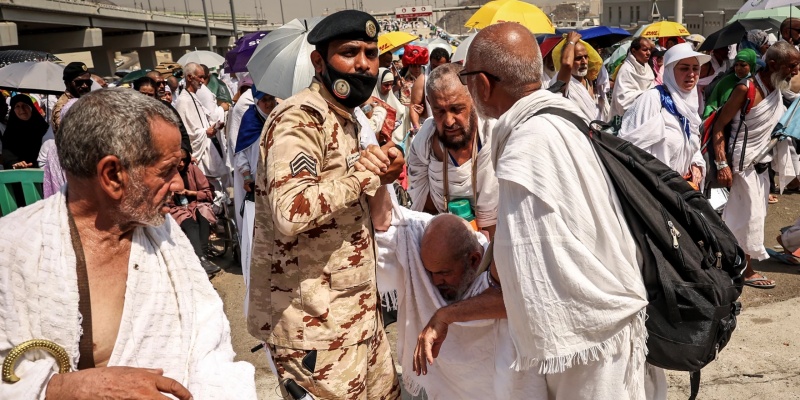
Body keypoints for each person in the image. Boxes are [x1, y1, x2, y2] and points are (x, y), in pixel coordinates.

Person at [0, 88, 256, 400]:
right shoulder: (13, 248)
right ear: (112, 175)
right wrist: (61, 389)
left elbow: (211, 347)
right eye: (167, 170)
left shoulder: (165, 235)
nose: (178, 183)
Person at [463, 22, 664, 399]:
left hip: (591, 349)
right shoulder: (563, 119)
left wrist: (453, 309)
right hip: (611, 329)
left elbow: (520, 273)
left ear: (484, 84)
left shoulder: (526, 148)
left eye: (466, 77)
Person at [247, 10, 403, 399]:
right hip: (314, 331)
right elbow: (290, 209)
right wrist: (364, 176)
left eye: (371, 53)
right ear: (319, 61)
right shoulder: (299, 119)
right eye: (349, 52)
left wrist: (380, 174)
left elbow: (355, 205)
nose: (363, 64)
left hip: (358, 319)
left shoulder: (346, 119)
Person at [373, 207, 546, 398]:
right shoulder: (428, 268)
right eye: (430, 273)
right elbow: (391, 221)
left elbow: (516, 301)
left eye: (444, 273)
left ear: (474, 260)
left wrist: (445, 315)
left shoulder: (504, 268)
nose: (436, 282)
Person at [712, 41, 800, 289]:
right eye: (792, 66)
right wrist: (721, 164)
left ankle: (729, 262)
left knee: (750, 216)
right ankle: (746, 270)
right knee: (749, 217)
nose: (795, 71)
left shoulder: (776, 87)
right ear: (773, 64)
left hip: (762, 163)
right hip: (743, 162)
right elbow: (719, 126)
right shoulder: (745, 88)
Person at [407, 63, 498, 237]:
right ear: (429, 104)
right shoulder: (425, 142)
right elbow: (420, 201)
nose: (448, 121)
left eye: (456, 109)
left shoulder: (493, 137)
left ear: (473, 98)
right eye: (439, 111)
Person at [618, 43, 710, 191]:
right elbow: (633, 151)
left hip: (683, 191)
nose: (691, 74)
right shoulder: (652, 100)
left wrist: (696, 164)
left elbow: (691, 144)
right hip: (655, 191)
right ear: (670, 71)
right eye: (684, 68)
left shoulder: (690, 104)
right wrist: (671, 183)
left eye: (695, 68)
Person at [233, 87, 276, 262]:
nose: (268, 103)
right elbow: (241, 152)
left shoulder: (278, 116)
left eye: (270, 98)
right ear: (256, 101)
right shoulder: (250, 119)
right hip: (255, 180)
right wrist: (246, 176)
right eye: (263, 99)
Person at [167, 147, 221, 277]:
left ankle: (202, 258)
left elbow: (208, 193)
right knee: (191, 225)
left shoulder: (193, 169)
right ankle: (201, 259)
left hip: (195, 203)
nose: (180, 164)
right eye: (178, 161)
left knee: (203, 215)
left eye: (183, 160)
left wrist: (190, 193)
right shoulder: (167, 174)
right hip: (176, 208)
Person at [175, 62, 228, 180]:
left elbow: (202, 121)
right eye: (200, 77)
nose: (202, 81)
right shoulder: (183, 100)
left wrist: (214, 126)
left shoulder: (193, 96)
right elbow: (185, 132)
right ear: (189, 77)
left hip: (207, 147)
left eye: (203, 77)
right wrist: (205, 132)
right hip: (198, 152)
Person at [553, 32, 609, 121]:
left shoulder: (588, 81)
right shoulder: (565, 82)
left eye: (586, 57)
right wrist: (571, 42)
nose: (584, 61)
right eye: (578, 58)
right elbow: (567, 65)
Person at [703, 49, 758, 119]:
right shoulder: (726, 82)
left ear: (752, 65)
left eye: (743, 65)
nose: (738, 68)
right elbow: (711, 105)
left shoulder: (757, 84)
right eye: (736, 65)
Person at [2, 94, 50, 170]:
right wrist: (15, 164)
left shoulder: (44, 128)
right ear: (13, 110)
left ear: (31, 107)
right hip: (19, 174)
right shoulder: (10, 132)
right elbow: (7, 154)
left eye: (25, 105)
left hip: (43, 173)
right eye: (17, 106)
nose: (22, 109)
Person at [611, 37, 655, 118]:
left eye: (649, 50)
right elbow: (623, 100)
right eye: (645, 50)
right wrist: (648, 96)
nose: (648, 53)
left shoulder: (648, 68)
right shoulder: (626, 70)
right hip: (629, 118)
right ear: (634, 51)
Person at [370, 68, 410, 147]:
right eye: (386, 85)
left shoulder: (391, 97)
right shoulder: (371, 101)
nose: (389, 88)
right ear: (378, 83)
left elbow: (402, 111)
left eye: (391, 84)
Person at [52, 62, 91, 134]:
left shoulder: (84, 100)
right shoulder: (64, 107)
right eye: (79, 82)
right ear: (67, 83)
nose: (85, 86)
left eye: (88, 82)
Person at [406, 45, 431, 132]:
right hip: (408, 118)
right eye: (414, 66)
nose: (417, 69)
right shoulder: (403, 82)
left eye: (419, 66)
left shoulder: (426, 80)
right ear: (409, 67)